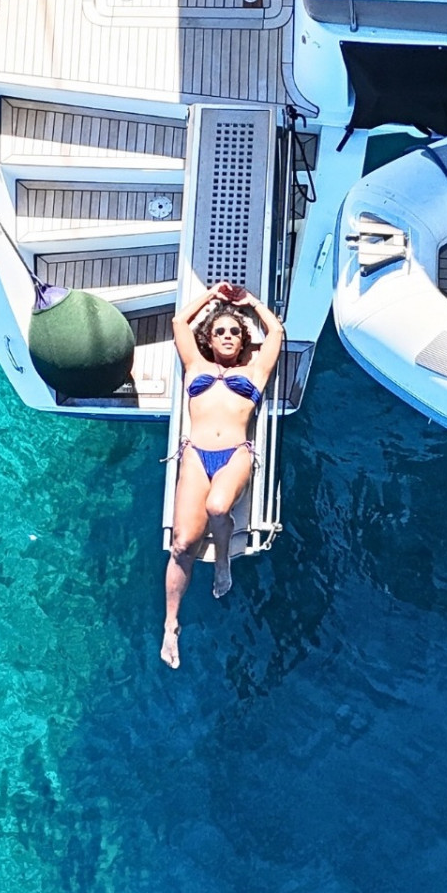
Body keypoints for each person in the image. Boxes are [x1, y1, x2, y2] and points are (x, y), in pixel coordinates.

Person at [161, 281, 283, 669]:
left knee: (217, 507)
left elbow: (276, 331)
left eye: (234, 331)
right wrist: (212, 295)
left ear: (243, 340)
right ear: (209, 340)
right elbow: (179, 322)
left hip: (235, 454)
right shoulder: (195, 366)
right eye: (220, 332)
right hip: (196, 455)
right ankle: (170, 626)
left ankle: (223, 563)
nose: (228, 336)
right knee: (182, 544)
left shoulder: (255, 370)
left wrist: (251, 302)